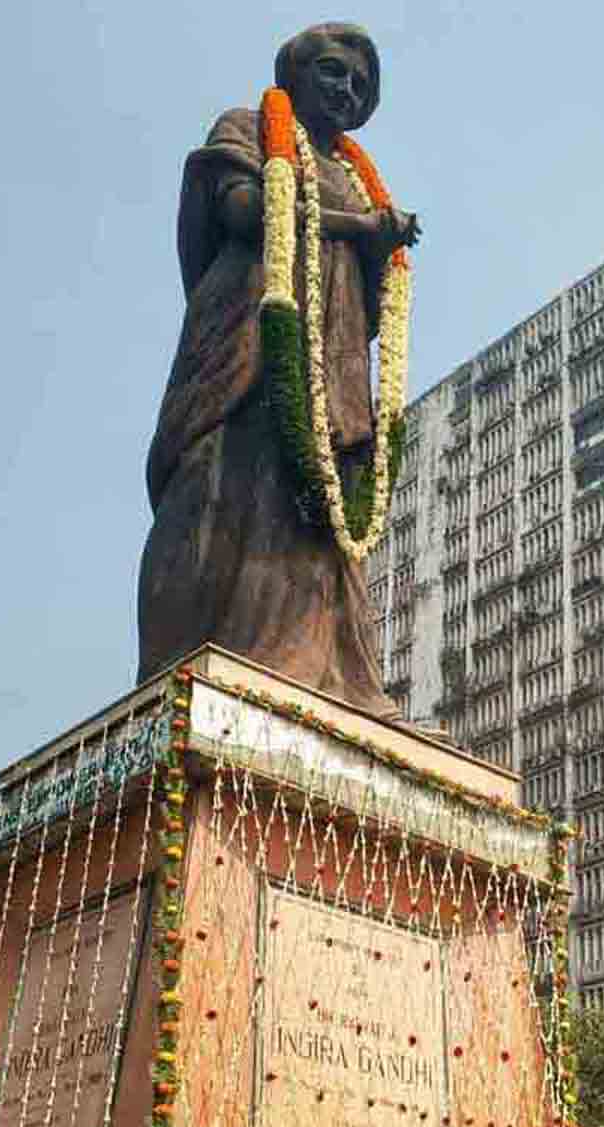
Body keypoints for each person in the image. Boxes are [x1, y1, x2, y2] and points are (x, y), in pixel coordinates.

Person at [136, 21, 419, 708]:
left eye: (358, 83)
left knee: (325, 506)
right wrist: (359, 228)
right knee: (234, 477)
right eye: (332, 71)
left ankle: (340, 679)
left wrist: (381, 245)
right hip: (251, 343)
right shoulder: (251, 128)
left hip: (335, 364)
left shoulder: (358, 178)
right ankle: (237, 656)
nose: (345, 88)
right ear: (293, 73)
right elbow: (239, 211)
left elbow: (374, 298)